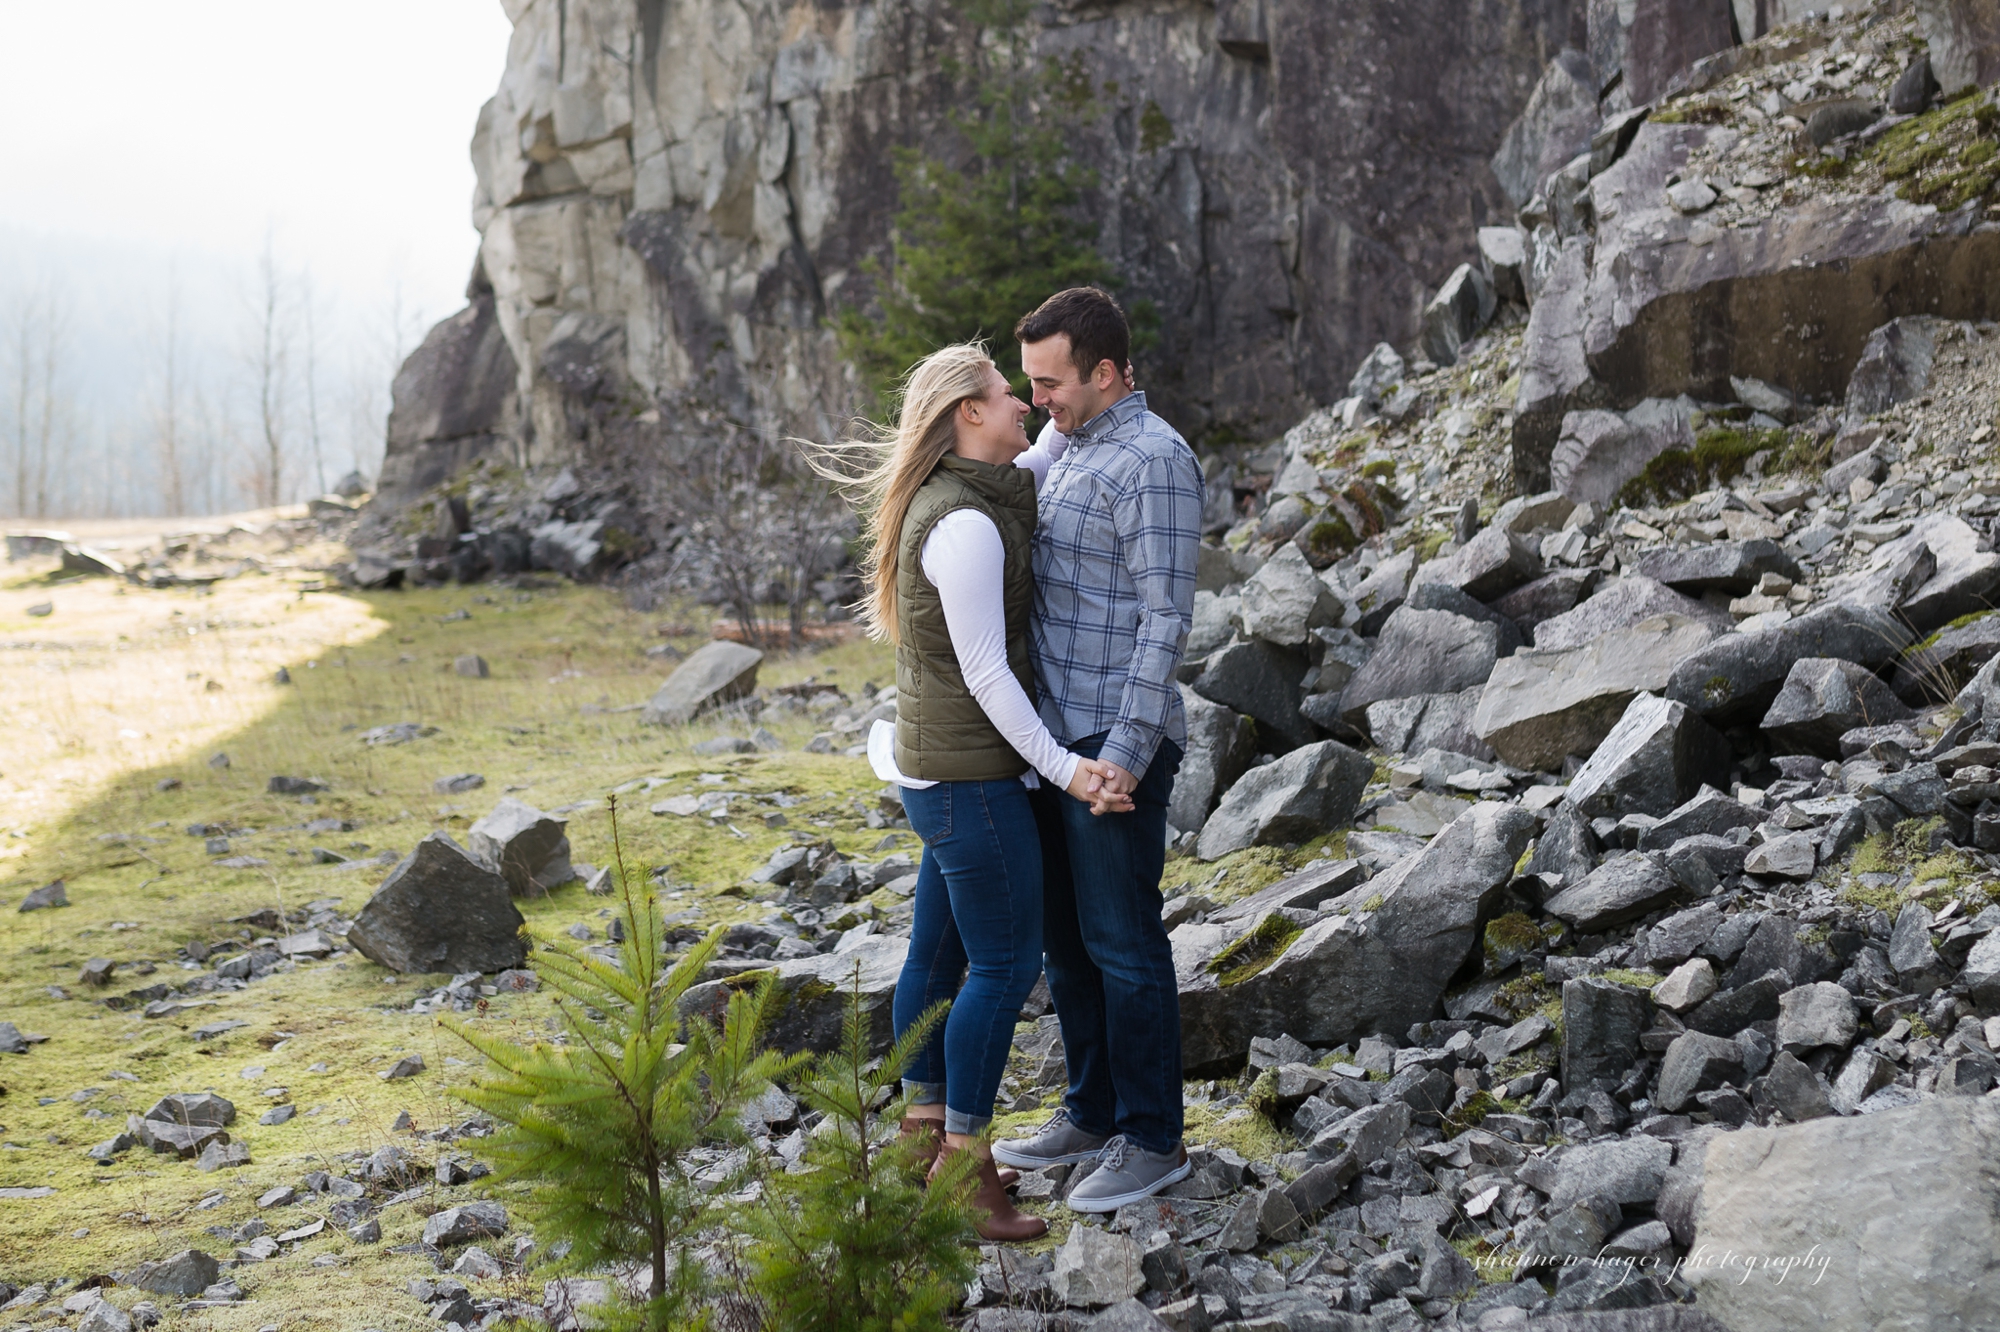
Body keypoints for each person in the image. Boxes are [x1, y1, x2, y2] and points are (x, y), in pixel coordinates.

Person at [826, 342, 1131, 1243]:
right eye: (1007, 396)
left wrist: (1100, 416)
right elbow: (991, 678)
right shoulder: (963, 526)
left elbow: (1042, 454)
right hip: (970, 782)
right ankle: (966, 1165)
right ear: (967, 413)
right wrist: (1070, 768)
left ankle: (921, 1138)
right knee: (1004, 970)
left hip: (938, 770)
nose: (1025, 407)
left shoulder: (974, 491)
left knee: (936, 954)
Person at [991, 287, 1205, 1213]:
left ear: (1109, 372)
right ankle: (1090, 1110)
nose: (1040, 397)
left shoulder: (1155, 461)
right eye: (1032, 381)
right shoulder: (1068, 446)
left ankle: (1154, 1136)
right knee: (1067, 945)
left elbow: (1167, 620)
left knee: (1123, 941)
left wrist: (1122, 750)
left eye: (1053, 381)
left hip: (1115, 745)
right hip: (1054, 741)